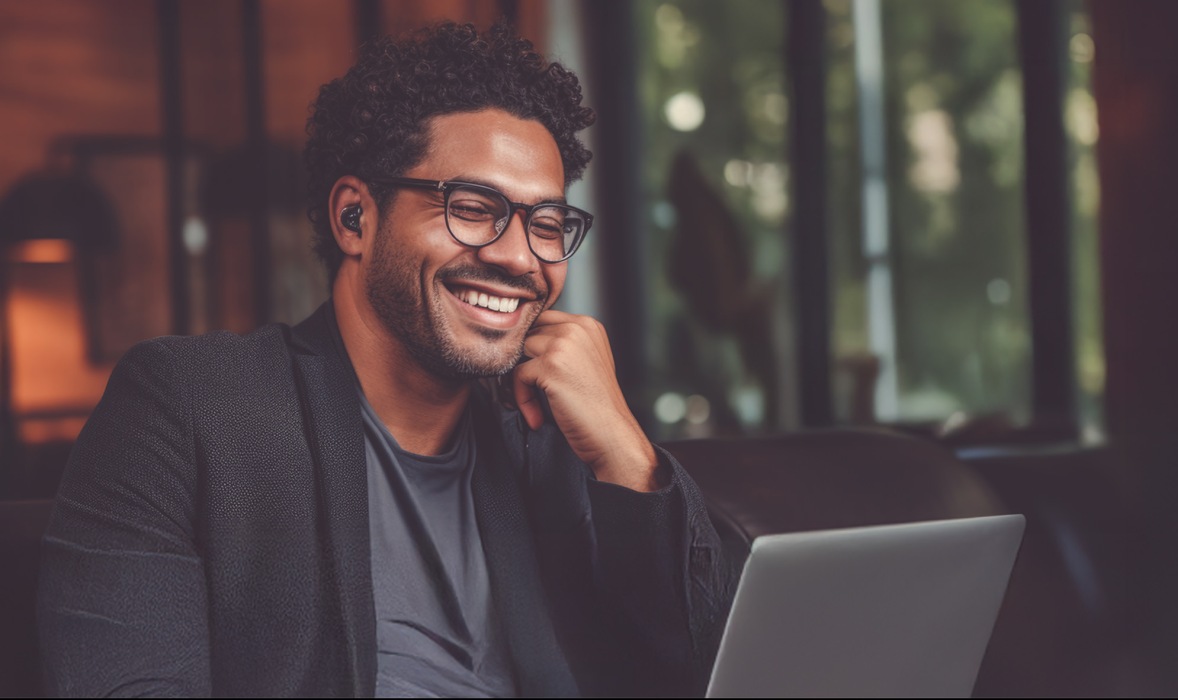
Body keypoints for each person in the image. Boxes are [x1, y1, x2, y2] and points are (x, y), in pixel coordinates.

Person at [37, 23, 733, 697]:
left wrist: (625, 449)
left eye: (547, 224)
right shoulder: (190, 405)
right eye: (472, 206)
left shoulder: (549, 438)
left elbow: (715, 667)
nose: (521, 257)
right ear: (354, 218)